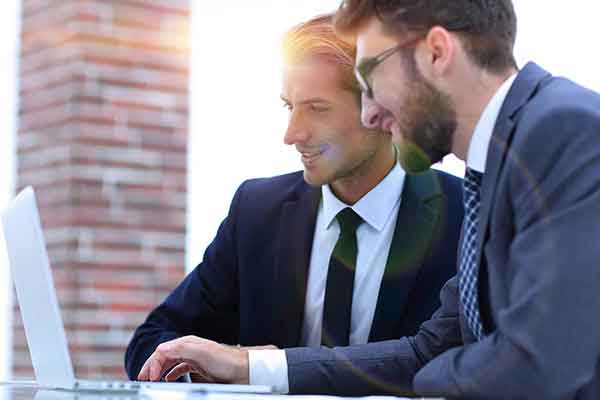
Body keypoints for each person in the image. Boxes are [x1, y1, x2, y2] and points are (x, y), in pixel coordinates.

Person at [136, 1, 600, 398]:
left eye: (372, 73)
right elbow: (431, 349)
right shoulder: (498, 164)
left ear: (437, 52)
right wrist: (250, 368)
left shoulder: (561, 130)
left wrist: (418, 387)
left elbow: (540, 362)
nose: (372, 112)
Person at [126, 13, 464, 386]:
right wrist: (211, 375)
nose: (292, 134)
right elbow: (152, 340)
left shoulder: (464, 216)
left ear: (383, 107)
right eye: (290, 106)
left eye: (317, 109)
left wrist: (253, 367)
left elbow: (451, 365)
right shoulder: (257, 210)